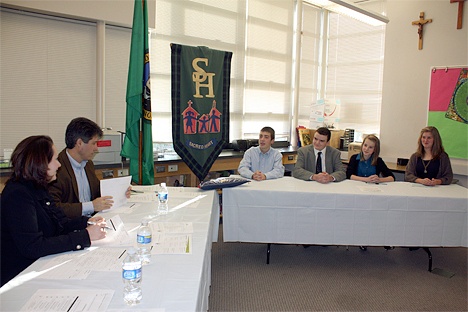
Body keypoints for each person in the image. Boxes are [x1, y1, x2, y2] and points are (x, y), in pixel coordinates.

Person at [0, 136, 107, 286]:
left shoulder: (38, 188)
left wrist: (86, 222)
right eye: (55, 160)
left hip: (41, 264)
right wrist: (85, 236)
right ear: (40, 163)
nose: (59, 165)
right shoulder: (18, 195)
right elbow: (33, 247)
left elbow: (60, 223)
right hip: (20, 276)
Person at [49, 117, 130, 218]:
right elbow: (54, 208)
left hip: (93, 220)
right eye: (94, 143)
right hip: (71, 227)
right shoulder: (57, 169)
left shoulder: (88, 164)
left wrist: (120, 192)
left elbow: (96, 192)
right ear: (79, 143)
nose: (96, 149)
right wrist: (91, 206)